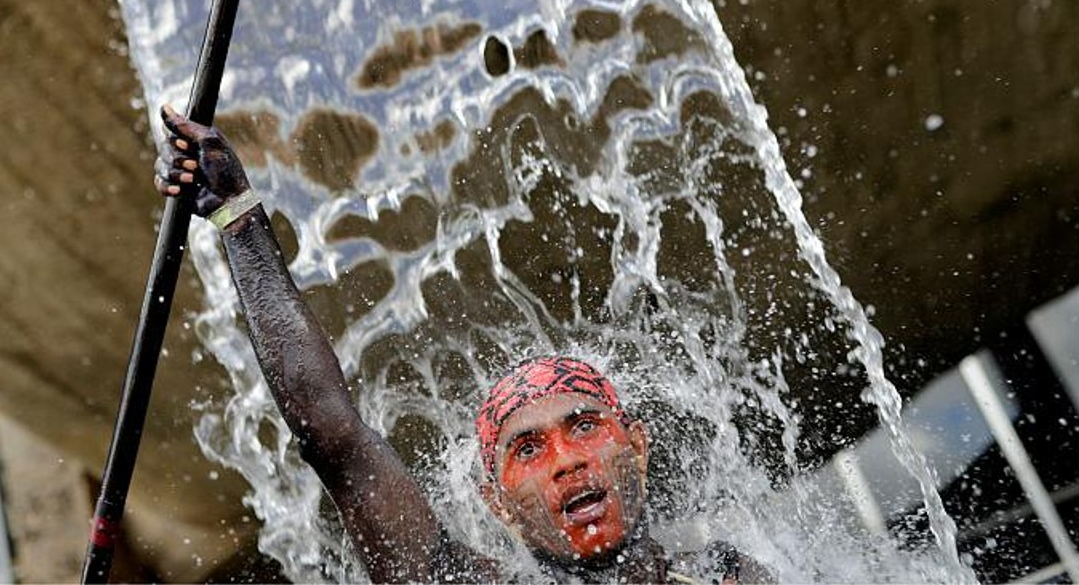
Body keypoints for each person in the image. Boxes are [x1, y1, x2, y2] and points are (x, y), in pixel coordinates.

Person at [155, 105, 771, 583]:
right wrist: (239, 216)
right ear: (497, 503)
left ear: (636, 445)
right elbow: (335, 440)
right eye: (528, 449)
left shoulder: (729, 574)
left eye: (585, 426)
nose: (566, 462)